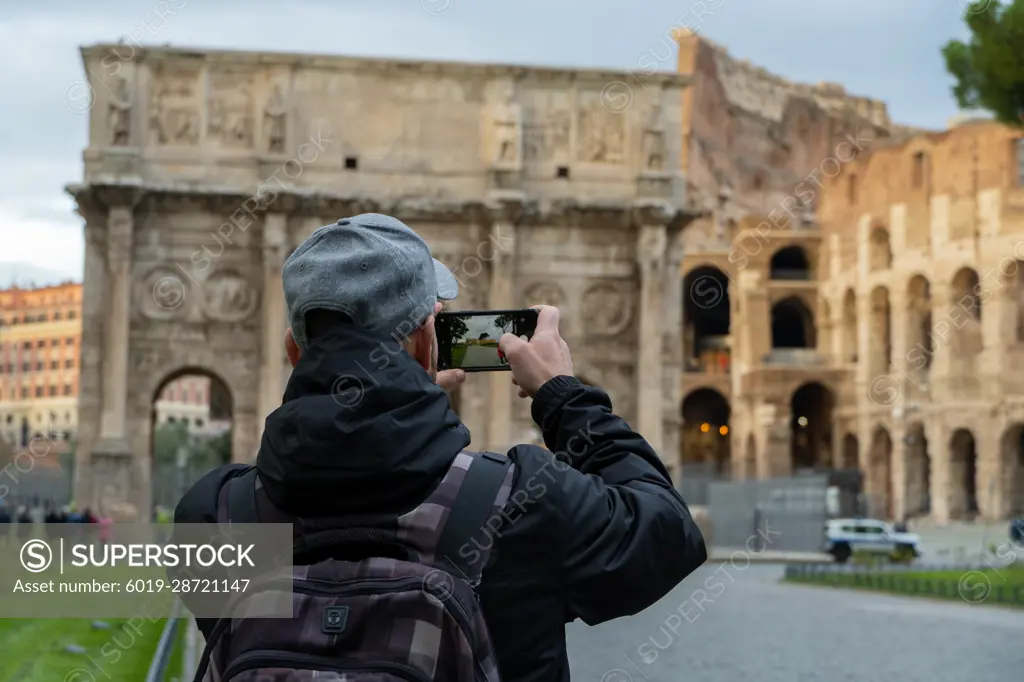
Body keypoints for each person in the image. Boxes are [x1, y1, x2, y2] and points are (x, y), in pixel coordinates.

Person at [173, 213, 706, 682]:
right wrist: (561, 396)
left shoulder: (213, 514)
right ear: (429, 339)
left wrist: (395, 400)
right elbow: (669, 533)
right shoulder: (526, 503)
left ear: (294, 350)